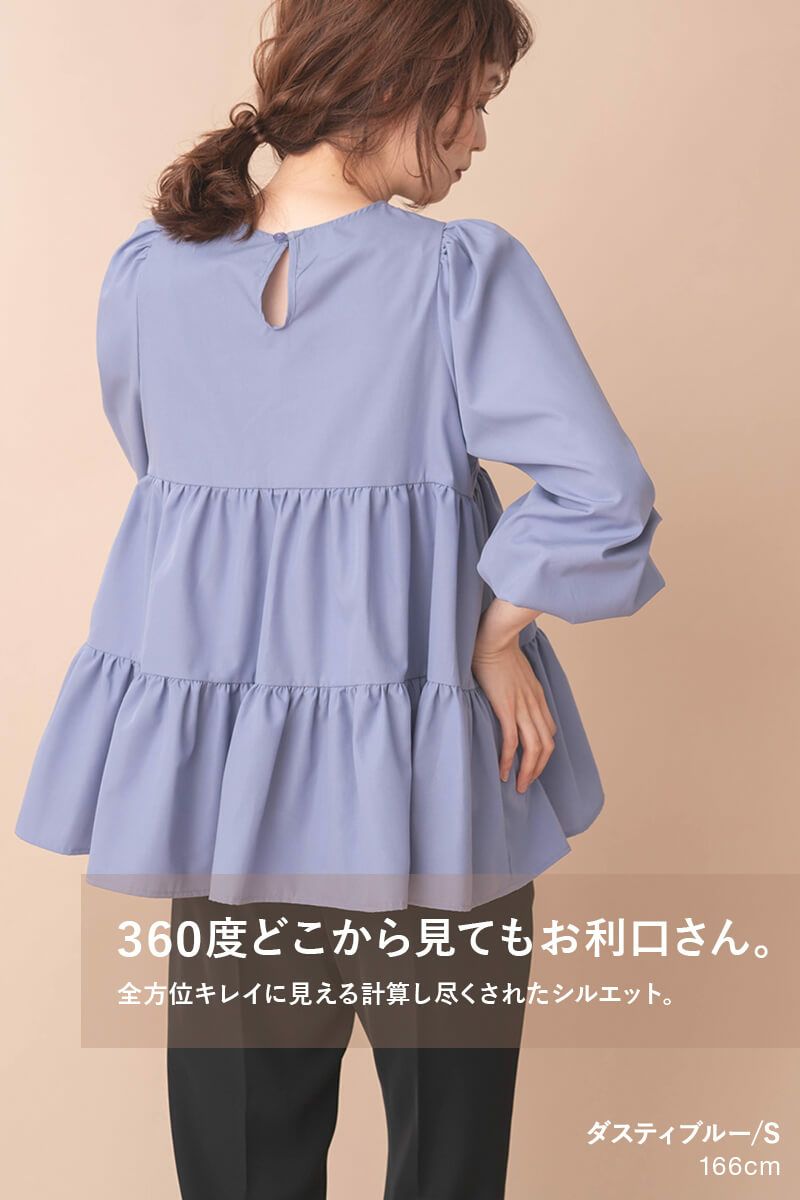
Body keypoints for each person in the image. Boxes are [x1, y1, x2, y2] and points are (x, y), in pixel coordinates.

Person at [14, 0, 666, 1195]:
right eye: (471, 101)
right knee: (450, 1164)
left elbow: (169, 476)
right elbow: (605, 493)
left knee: (239, 1167)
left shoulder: (149, 275)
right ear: (399, 84)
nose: (478, 138)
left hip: (232, 804)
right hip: (433, 792)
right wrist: (495, 631)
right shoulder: (454, 276)